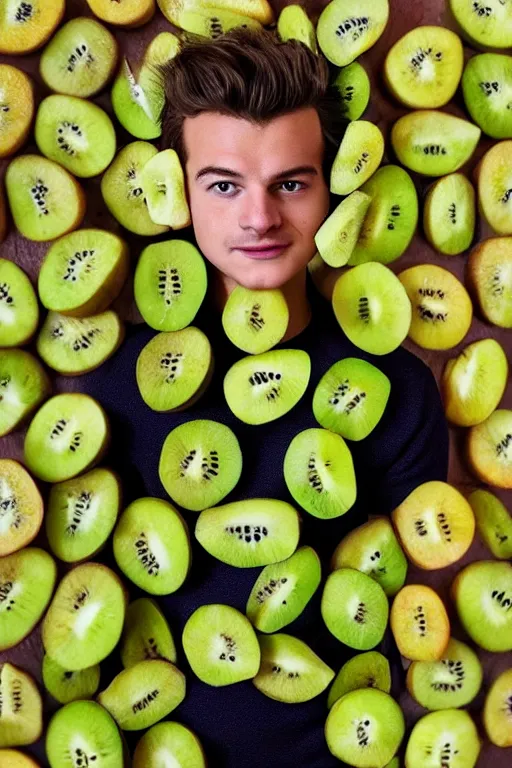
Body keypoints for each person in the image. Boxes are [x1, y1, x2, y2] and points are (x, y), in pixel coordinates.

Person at [79, 26, 449, 767]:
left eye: (290, 182)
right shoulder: (116, 386)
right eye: (223, 184)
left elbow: (416, 609)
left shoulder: (399, 391)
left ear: (330, 186)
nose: (258, 218)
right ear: (178, 192)